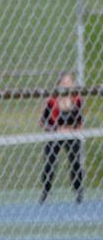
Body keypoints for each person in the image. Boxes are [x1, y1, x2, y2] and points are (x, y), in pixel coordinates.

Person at [39, 71, 83, 204]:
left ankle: (78, 192)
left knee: (75, 163)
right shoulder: (52, 101)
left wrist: (72, 129)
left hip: (72, 135)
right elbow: (42, 121)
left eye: (69, 83)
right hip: (55, 135)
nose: (67, 85)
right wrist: (56, 129)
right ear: (58, 84)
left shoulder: (77, 100)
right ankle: (46, 192)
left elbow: (81, 121)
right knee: (50, 163)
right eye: (64, 83)